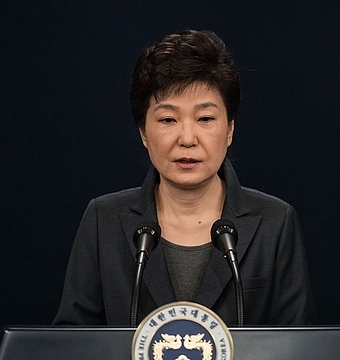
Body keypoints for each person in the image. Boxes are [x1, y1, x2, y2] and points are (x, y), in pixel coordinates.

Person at [53, 30, 315, 326]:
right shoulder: (104, 220)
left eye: (205, 119)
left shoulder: (275, 222)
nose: (187, 138)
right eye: (168, 119)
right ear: (143, 132)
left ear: (229, 129)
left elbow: (297, 345)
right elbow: (71, 342)